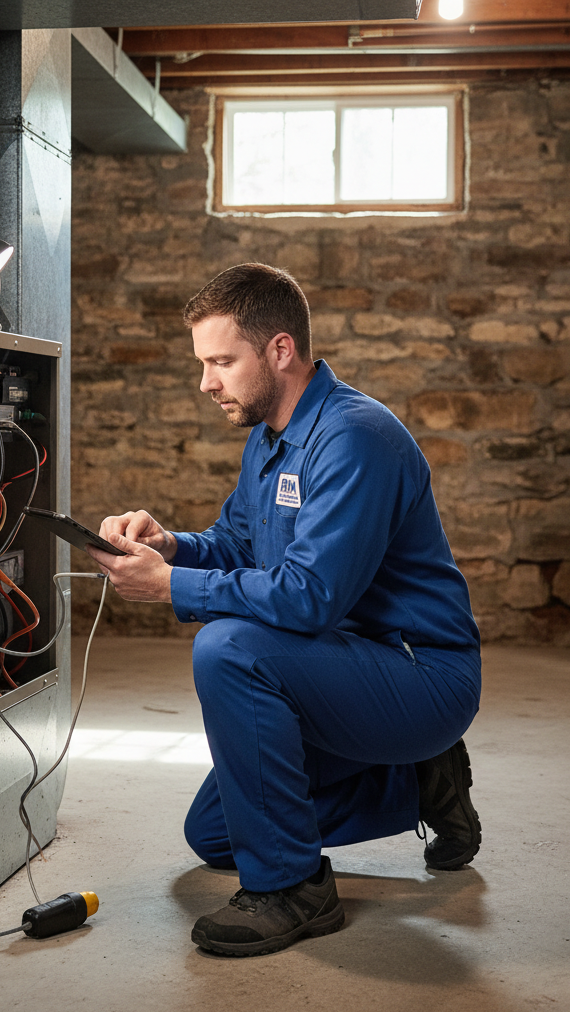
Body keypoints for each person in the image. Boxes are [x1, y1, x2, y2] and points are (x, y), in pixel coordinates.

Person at [86, 263, 481, 958]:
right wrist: (170, 546)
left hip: (420, 675)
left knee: (228, 648)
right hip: (339, 669)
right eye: (203, 363)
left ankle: (294, 890)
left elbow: (308, 597)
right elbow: (236, 544)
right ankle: (419, 782)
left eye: (220, 361)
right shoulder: (270, 437)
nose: (206, 382)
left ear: (279, 351)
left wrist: (170, 587)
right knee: (213, 834)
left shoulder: (353, 437)